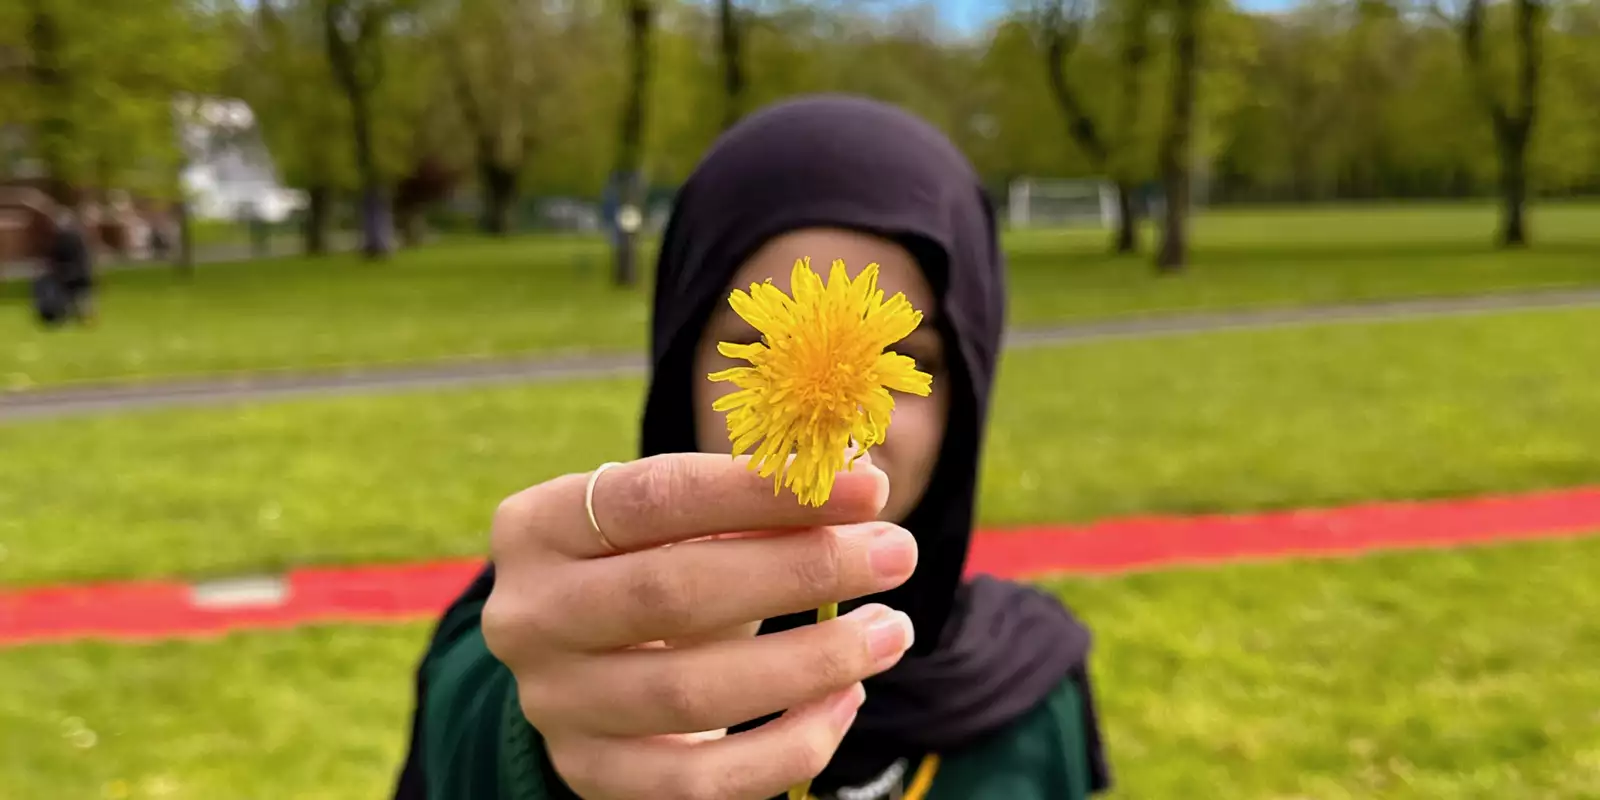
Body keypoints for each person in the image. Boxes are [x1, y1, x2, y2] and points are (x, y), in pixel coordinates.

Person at [392, 95, 1110, 800]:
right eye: (759, 344)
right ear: (683, 369)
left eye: (904, 354)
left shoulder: (1038, 696)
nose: (862, 422)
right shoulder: (522, 635)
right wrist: (543, 747)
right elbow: (476, 721)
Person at [35, 205, 95, 327]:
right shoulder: (79, 238)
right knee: (81, 294)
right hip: (80, 273)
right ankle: (83, 317)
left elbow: (53, 258)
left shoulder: (62, 239)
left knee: (57, 288)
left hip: (69, 274)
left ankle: (68, 315)